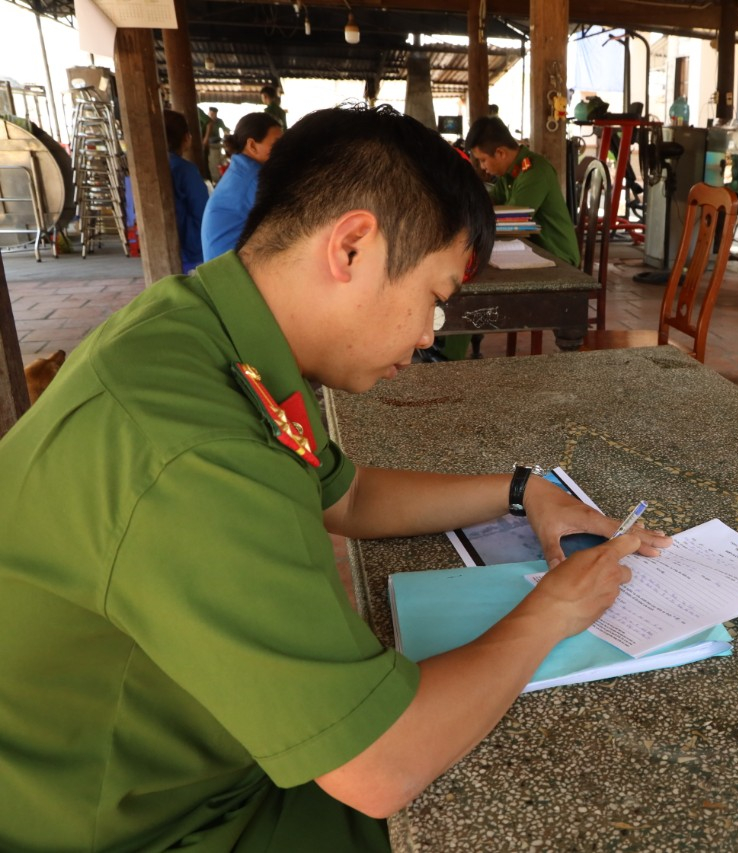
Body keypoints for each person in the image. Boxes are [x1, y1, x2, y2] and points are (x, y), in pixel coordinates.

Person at [0, 104, 669, 851]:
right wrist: (552, 609)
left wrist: (523, 490)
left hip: (193, 758)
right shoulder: (190, 449)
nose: (427, 337)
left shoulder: (211, 328)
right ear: (352, 246)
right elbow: (378, 765)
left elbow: (345, 494)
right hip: (144, 822)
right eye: (435, 298)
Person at [464, 115, 580, 267]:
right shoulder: (509, 175)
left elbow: (512, 221)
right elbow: (488, 201)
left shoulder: (535, 172)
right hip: (533, 252)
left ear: (500, 153)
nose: (483, 167)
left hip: (558, 257)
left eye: (483, 160)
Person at [201, 111, 283, 260]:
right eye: (277, 144)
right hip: (231, 273)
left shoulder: (241, 171)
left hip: (220, 267)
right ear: (252, 145)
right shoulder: (255, 178)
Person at [163, 109, 209, 274]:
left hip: (163, 246)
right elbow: (203, 212)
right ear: (186, 137)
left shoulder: (159, 166)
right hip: (191, 252)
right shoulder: (185, 170)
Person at [202, 105, 230, 181]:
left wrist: (226, 133)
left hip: (216, 141)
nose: (212, 116)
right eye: (211, 114)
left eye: (214, 114)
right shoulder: (205, 121)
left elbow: (225, 129)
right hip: (208, 142)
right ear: (208, 113)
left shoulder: (219, 121)